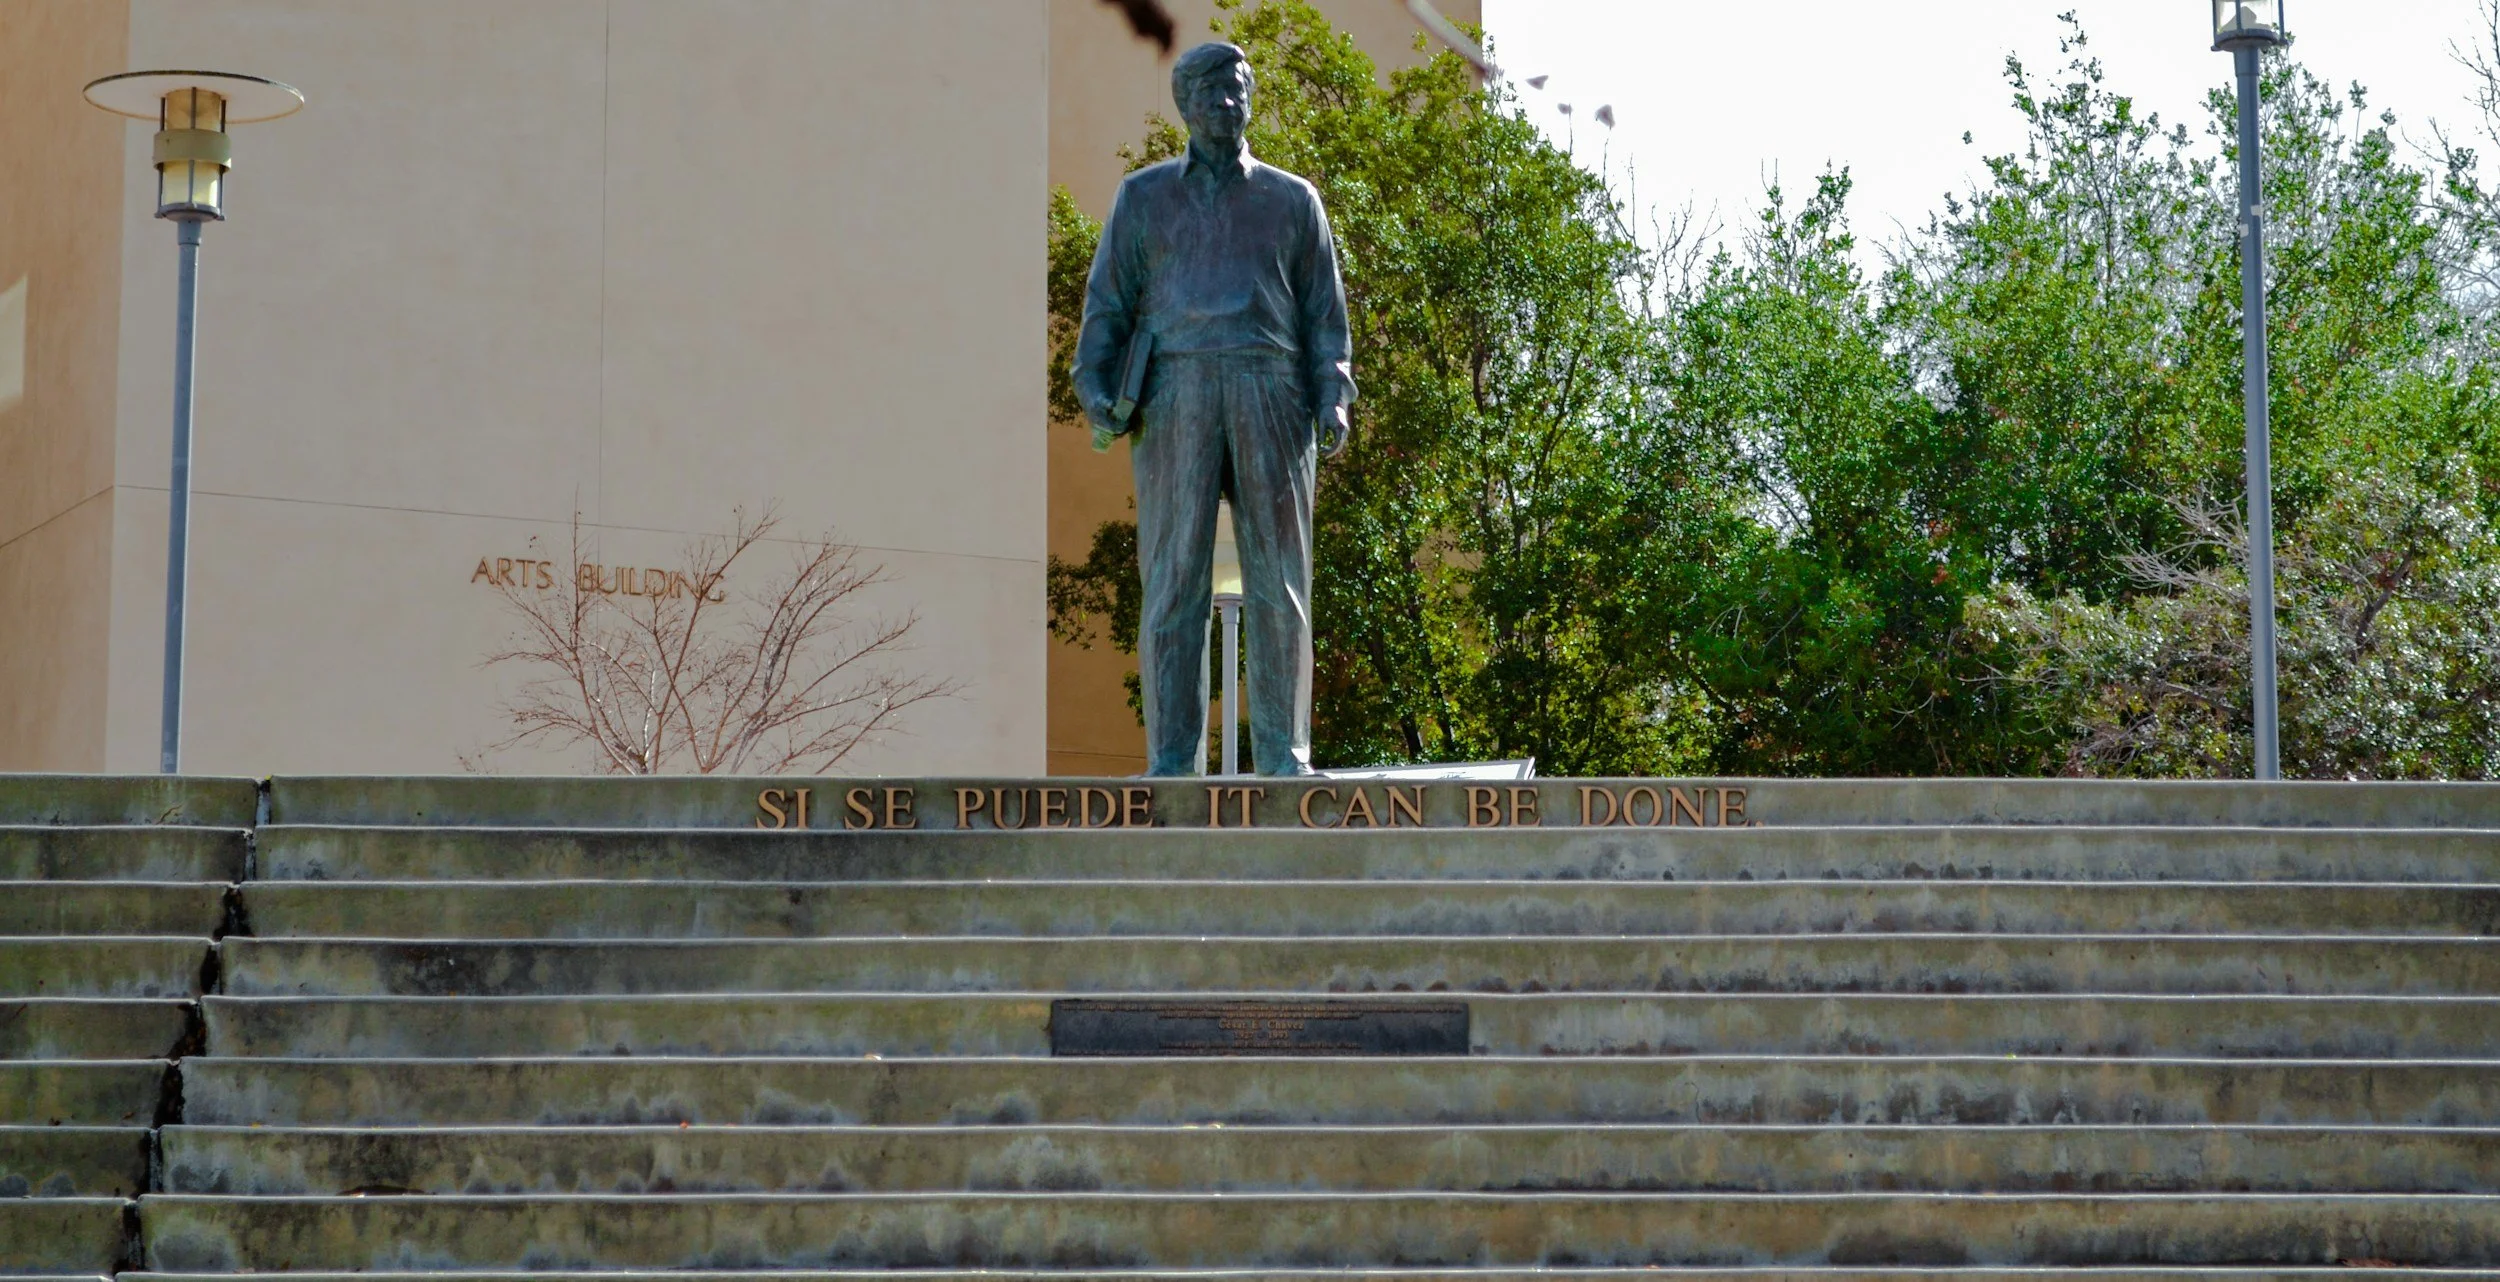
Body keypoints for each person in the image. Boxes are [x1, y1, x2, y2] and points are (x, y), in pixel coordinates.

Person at [1073, 41, 1354, 777]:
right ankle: (1172, 761)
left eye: (1239, 92)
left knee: (1281, 585)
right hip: (1177, 391)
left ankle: (1285, 758)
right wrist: (1096, 388)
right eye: (1214, 94)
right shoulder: (1143, 198)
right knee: (1172, 582)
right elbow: (1107, 307)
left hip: (1273, 390)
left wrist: (1333, 395)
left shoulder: (1294, 200)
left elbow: (1326, 318)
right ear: (1186, 106)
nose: (1229, 105)